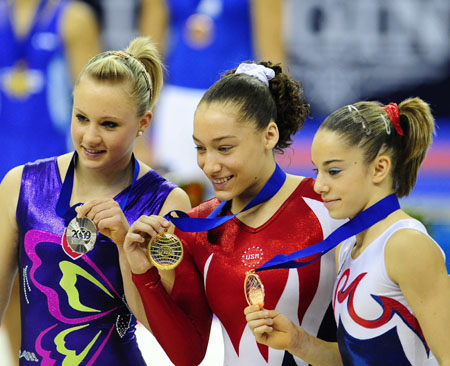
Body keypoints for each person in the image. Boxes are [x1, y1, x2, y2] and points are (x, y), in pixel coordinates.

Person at [123, 61, 345, 365]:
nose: (210, 165)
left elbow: (372, 351)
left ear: (269, 135)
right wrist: (143, 273)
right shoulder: (198, 226)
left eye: (224, 148)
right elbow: (186, 354)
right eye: (201, 148)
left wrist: (299, 341)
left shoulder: (328, 206)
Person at [0, 36, 191, 365]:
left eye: (109, 125)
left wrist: (124, 244)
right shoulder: (22, 184)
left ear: (143, 123)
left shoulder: (167, 203)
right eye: (81, 118)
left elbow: (175, 336)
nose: (90, 137)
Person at [244, 98, 450, 365]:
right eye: (317, 171)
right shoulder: (348, 246)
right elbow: (354, 358)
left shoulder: (405, 244)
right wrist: (297, 340)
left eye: (333, 171)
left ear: (379, 169)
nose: (319, 185)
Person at [139, 0, 285, 204]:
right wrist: (139, 136)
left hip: (237, 99)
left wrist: (278, 114)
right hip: (178, 102)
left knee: (241, 197)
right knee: (182, 203)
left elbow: (272, 49)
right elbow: (149, 54)